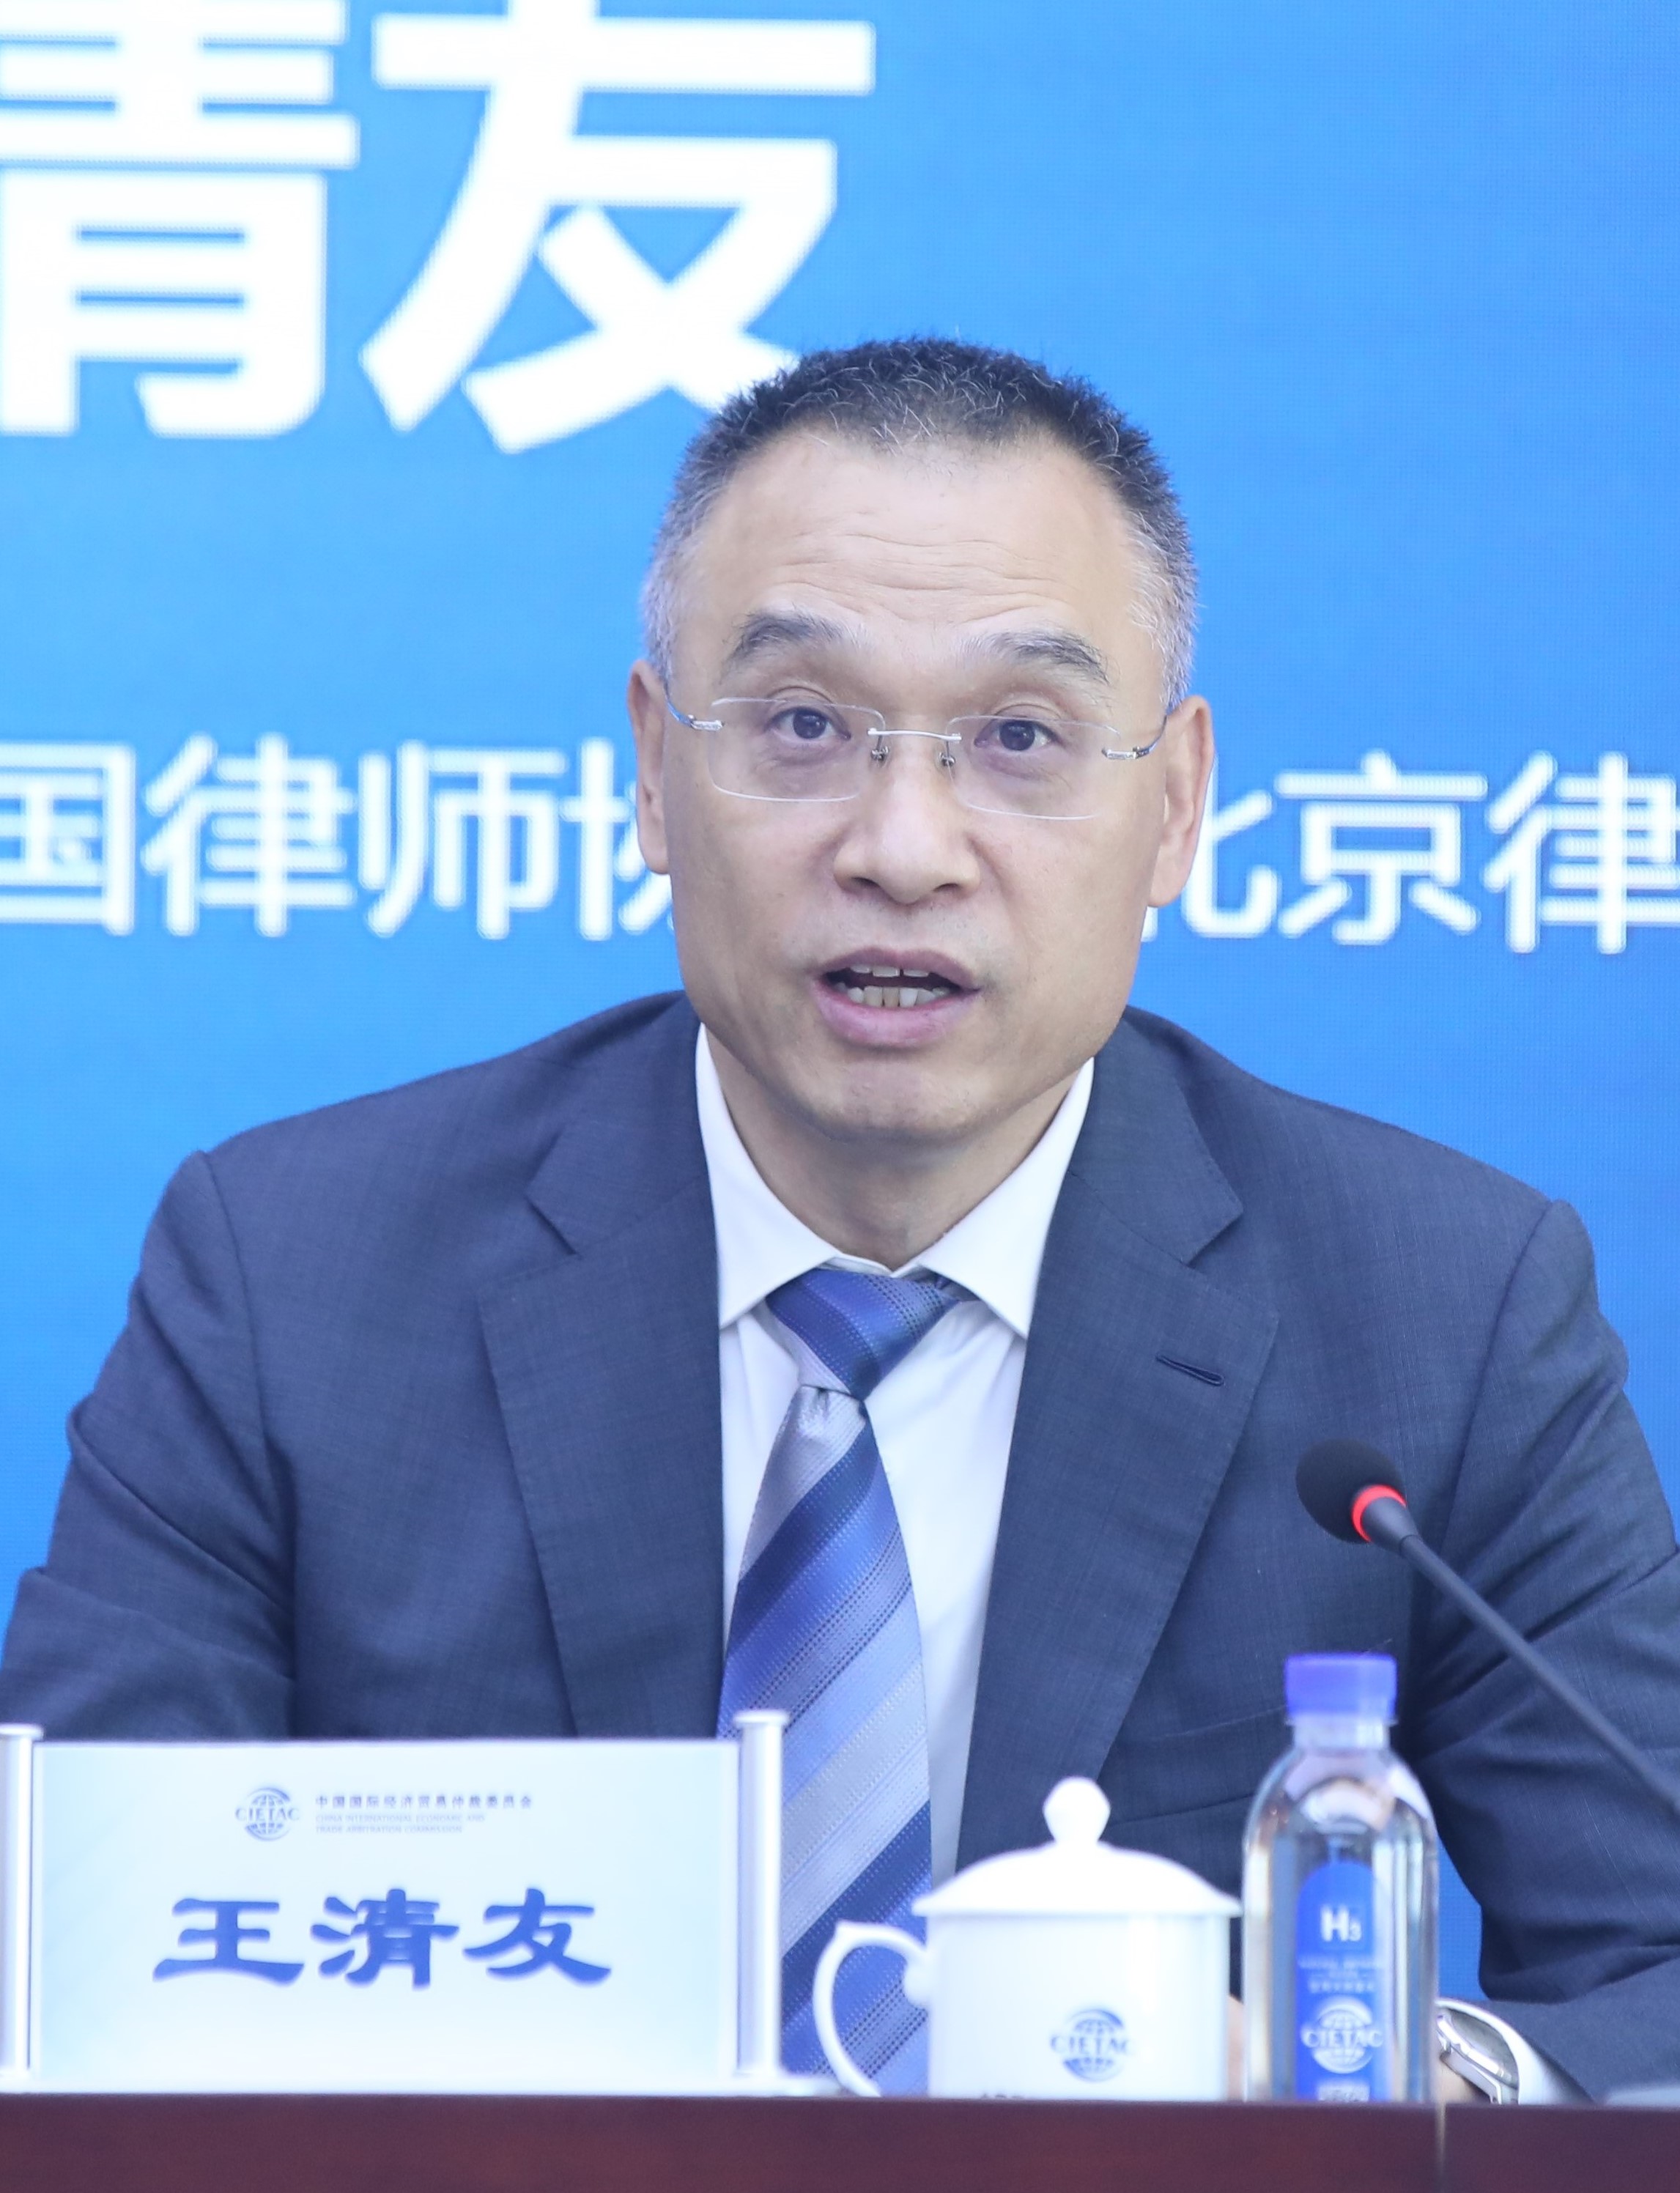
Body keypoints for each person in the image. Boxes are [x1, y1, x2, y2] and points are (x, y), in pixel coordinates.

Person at [4, 339, 1678, 2101]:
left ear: (1174, 806)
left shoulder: (1442, 1315)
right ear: (653, 772)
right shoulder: (293, 1277)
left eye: (1018, 739)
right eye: (802, 727)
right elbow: (65, 1948)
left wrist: (1373, 2082)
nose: (903, 845)